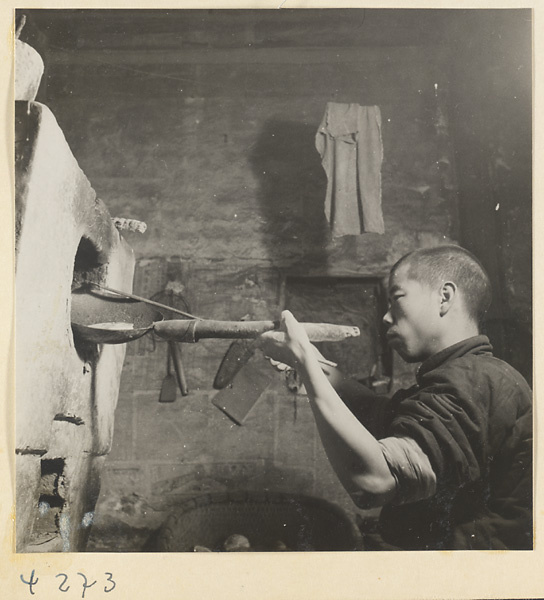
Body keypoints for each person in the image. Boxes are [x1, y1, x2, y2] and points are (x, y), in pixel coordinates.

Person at [259, 245, 532, 550]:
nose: (386, 317)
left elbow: (374, 482)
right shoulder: (464, 375)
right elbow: (383, 413)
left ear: (445, 297)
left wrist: (306, 364)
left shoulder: (474, 381)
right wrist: (312, 362)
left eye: (397, 297)